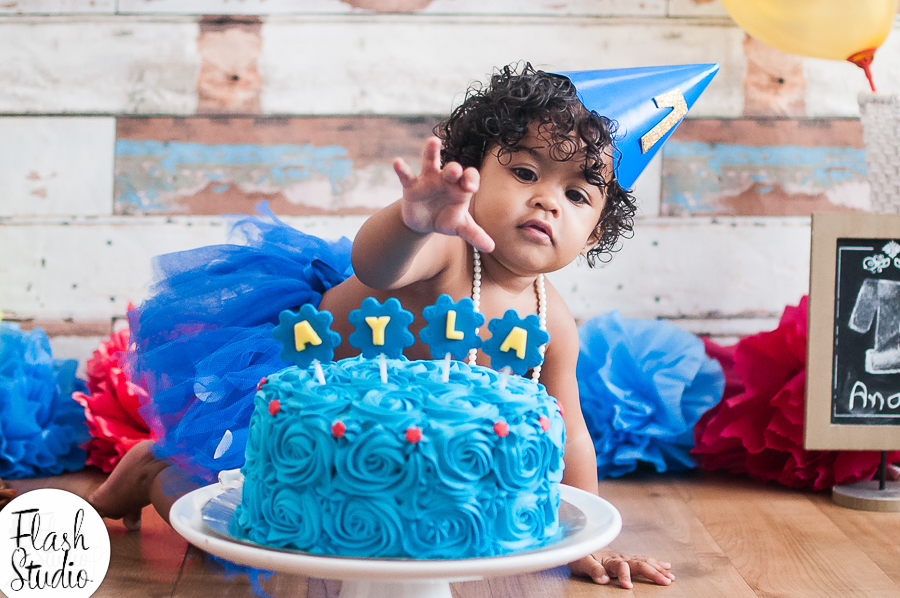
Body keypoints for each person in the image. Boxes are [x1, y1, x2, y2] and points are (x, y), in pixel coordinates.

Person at [90, 62, 675, 589]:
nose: (548, 201)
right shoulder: (444, 250)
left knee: (382, 526)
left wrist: (586, 537)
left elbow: (568, 426)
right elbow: (378, 263)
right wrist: (413, 221)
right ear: (469, 171)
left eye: (576, 194)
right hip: (301, 393)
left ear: (596, 232)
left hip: (388, 445)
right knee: (257, 544)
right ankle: (154, 473)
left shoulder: (555, 318)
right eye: (525, 172)